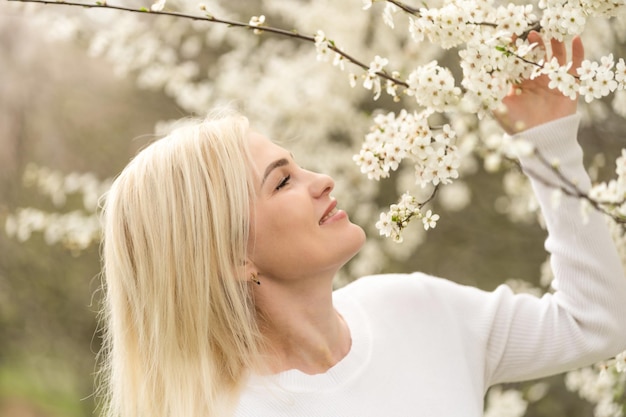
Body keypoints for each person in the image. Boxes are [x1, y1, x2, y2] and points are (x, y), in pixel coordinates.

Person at [97, 32, 626, 417]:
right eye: (282, 182)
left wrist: (547, 141)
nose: (323, 180)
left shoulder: (412, 308)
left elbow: (594, 324)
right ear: (233, 256)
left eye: (299, 165)